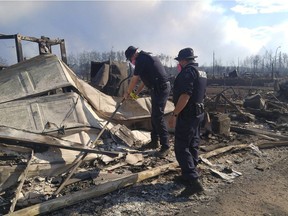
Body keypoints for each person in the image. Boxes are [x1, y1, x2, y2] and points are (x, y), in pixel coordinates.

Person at [168, 47, 207, 196]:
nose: (179, 64)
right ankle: (188, 173)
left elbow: (185, 95)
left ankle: (193, 181)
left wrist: (175, 114)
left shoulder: (187, 72)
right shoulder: (201, 73)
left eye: (179, 61)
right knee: (193, 144)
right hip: (198, 113)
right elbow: (201, 94)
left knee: (181, 146)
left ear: (184, 61)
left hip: (188, 114)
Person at [124, 46, 171, 158]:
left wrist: (127, 92)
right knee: (154, 115)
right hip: (157, 88)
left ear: (133, 55)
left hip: (161, 88)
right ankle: (154, 141)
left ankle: (166, 146)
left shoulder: (141, 59)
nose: (131, 62)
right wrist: (136, 93)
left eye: (130, 59)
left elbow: (134, 79)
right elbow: (144, 81)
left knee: (157, 116)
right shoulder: (146, 58)